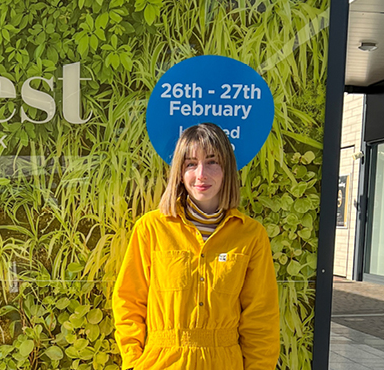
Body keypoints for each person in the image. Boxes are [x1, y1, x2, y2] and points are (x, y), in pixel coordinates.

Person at [112, 123, 279, 370]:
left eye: (212, 162)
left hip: (224, 361)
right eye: (191, 164)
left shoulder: (251, 235)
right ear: (180, 172)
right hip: (161, 361)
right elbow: (128, 301)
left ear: (227, 170)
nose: (201, 174)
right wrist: (133, 362)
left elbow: (261, 316)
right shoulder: (151, 228)